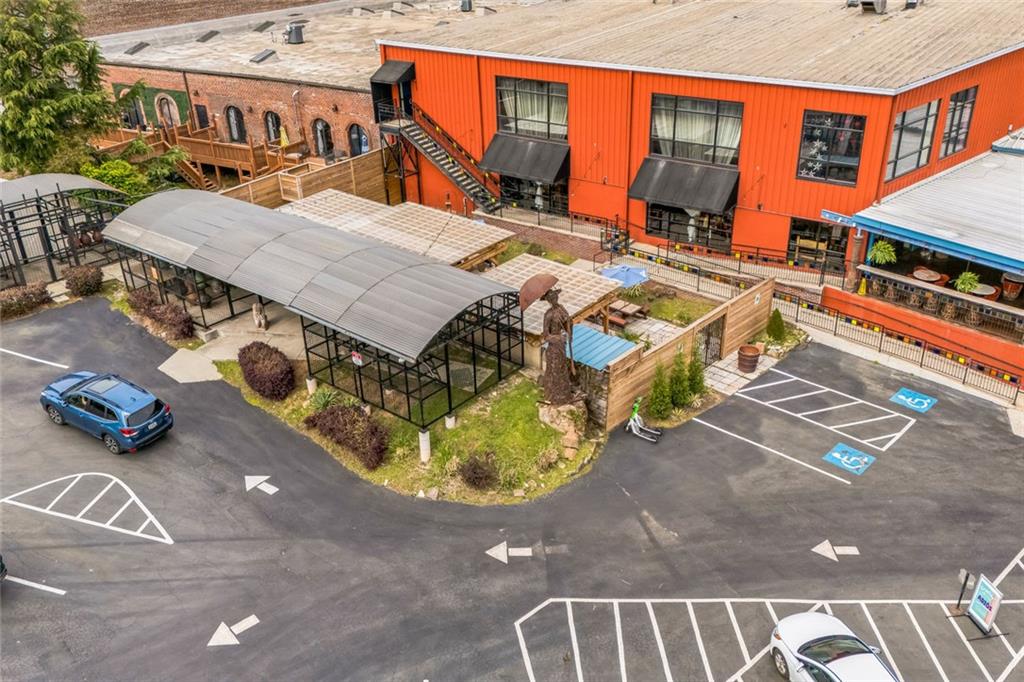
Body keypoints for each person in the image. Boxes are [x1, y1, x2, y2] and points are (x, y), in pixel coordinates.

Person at [540, 288, 574, 405]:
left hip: (562, 346)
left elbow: (567, 323)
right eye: (552, 298)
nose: (555, 299)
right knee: (554, 372)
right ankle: (553, 396)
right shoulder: (548, 315)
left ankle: (564, 395)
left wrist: (569, 326)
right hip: (554, 348)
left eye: (555, 297)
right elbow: (546, 336)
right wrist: (558, 338)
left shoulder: (562, 308)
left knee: (562, 369)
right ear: (549, 300)